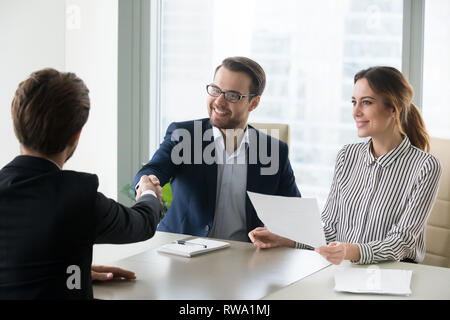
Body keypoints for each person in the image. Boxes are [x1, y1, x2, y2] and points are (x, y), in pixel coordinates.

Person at [249, 66, 442, 265]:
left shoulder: (425, 166)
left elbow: (402, 242)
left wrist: (351, 251)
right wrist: (286, 238)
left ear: (394, 108)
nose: (356, 112)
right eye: (353, 102)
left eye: (366, 102)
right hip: (345, 269)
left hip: (394, 274)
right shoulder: (347, 155)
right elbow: (331, 229)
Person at [0, 68, 163, 299]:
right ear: (76, 136)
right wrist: (147, 191)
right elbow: (143, 224)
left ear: (16, 124)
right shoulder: (79, 198)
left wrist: (68, 274)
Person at [134, 56, 301, 242]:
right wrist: (146, 182)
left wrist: (281, 234)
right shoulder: (184, 135)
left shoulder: (274, 151)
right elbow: (153, 170)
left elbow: (295, 217)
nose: (219, 102)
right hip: (182, 251)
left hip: (244, 258)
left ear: (253, 103)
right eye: (215, 90)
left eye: (232, 95)